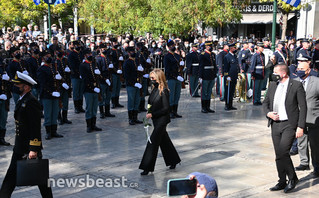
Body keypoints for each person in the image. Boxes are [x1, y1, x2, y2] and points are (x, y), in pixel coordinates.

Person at [0, 71, 53, 198]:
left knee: (41, 178)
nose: (16, 87)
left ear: (27, 87)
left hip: (28, 146)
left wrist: (34, 148)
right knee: (11, 178)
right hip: (20, 145)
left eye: (19, 86)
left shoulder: (31, 102)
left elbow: (35, 127)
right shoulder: (22, 100)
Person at [263, 63, 307, 193]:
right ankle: (282, 180)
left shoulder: (296, 85)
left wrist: (300, 126)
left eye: (276, 73)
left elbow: (303, 107)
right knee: (278, 154)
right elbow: (265, 103)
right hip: (275, 124)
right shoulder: (272, 85)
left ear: (283, 73)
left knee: (283, 152)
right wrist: (268, 113)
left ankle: (292, 178)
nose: (274, 75)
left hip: (289, 124)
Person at [139, 69, 181, 175]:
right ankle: (173, 160)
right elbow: (150, 103)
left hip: (162, 120)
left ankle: (146, 167)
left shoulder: (164, 91)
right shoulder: (154, 89)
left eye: (153, 78)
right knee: (164, 141)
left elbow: (167, 109)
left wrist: (152, 114)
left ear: (159, 78)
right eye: (150, 78)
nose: (151, 80)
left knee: (152, 142)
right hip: (156, 120)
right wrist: (149, 113)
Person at [293, 54, 319, 177]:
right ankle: (304, 162)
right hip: (300, 118)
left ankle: (317, 167)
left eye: (302, 70)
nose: (299, 71)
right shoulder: (295, 82)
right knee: (301, 142)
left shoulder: (316, 81)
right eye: (298, 69)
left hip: (314, 118)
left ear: (308, 70)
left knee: (315, 144)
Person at [37, 52, 64, 140]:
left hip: (55, 93)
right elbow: (42, 84)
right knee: (48, 113)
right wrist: (50, 92)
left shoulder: (53, 68)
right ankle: (48, 132)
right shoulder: (41, 69)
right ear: (43, 59)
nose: (49, 58)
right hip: (47, 95)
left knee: (55, 112)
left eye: (49, 56)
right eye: (47, 57)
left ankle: (54, 131)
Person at [79, 49, 102, 133]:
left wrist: (98, 75)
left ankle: (93, 124)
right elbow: (85, 80)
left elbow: (96, 77)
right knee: (89, 107)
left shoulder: (94, 63)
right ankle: (89, 126)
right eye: (88, 54)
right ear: (85, 55)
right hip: (88, 89)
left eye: (90, 53)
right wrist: (93, 87)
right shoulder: (83, 65)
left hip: (96, 89)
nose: (90, 55)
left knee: (94, 107)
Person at [123, 46, 143, 125]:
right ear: (128, 53)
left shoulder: (137, 61)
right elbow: (126, 76)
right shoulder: (127, 62)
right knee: (131, 102)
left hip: (138, 84)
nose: (133, 53)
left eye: (133, 51)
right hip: (131, 85)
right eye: (131, 52)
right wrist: (134, 83)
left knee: (137, 101)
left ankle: (135, 118)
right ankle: (131, 119)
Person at [164, 40, 183, 118]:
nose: (173, 47)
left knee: (177, 95)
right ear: (168, 47)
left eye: (173, 45)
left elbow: (179, 67)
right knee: (171, 96)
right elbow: (167, 69)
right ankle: (170, 112)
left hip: (178, 78)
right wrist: (175, 76)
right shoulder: (167, 56)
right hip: (171, 78)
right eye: (171, 46)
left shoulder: (177, 55)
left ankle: (175, 111)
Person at [199, 41, 217, 113]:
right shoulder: (203, 55)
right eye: (209, 46)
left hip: (211, 75)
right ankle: (203, 107)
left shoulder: (213, 54)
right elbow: (201, 66)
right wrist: (200, 76)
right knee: (204, 92)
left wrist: (215, 75)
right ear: (206, 47)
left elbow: (214, 65)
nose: (210, 47)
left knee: (209, 91)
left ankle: (208, 107)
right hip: (205, 75)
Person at [68, 41, 85, 114]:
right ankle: (76, 107)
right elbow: (72, 65)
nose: (79, 46)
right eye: (77, 45)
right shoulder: (72, 54)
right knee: (76, 91)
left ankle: (80, 106)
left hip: (82, 75)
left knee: (81, 91)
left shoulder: (81, 53)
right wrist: (78, 73)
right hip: (75, 75)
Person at [223, 43, 240, 110]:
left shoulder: (234, 56)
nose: (235, 49)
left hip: (234, 76)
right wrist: (227, 76)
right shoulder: (227, 57)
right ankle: (227, 105)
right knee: (228, 91)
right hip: (229, 77)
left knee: (232, 91)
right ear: (231, 48)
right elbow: (226, 67)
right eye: (234, 48)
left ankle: (230, 104)